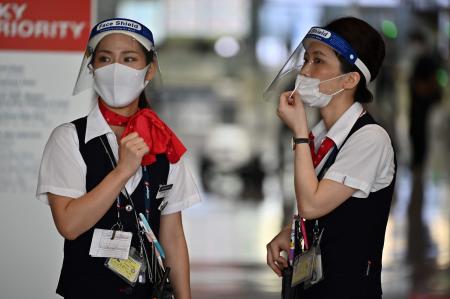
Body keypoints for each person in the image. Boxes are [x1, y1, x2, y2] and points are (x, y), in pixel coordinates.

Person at [36, 18, 201, 299]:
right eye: (105, 58)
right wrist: (122, 170)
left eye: (129, 58)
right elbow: (69, 224)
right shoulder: (70, 138)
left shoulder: (164, 144)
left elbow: (172, 237)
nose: (116, 69)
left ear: (149, 70)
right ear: (93, 68)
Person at [264, 17, 396, 298]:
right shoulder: (322, 135)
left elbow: (311, 204)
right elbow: (325, 208)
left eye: (319, 61)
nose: (305, 71)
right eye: (306, 59)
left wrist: (299, 132)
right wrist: (291, 231)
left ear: (350, 79)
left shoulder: (370, 139)